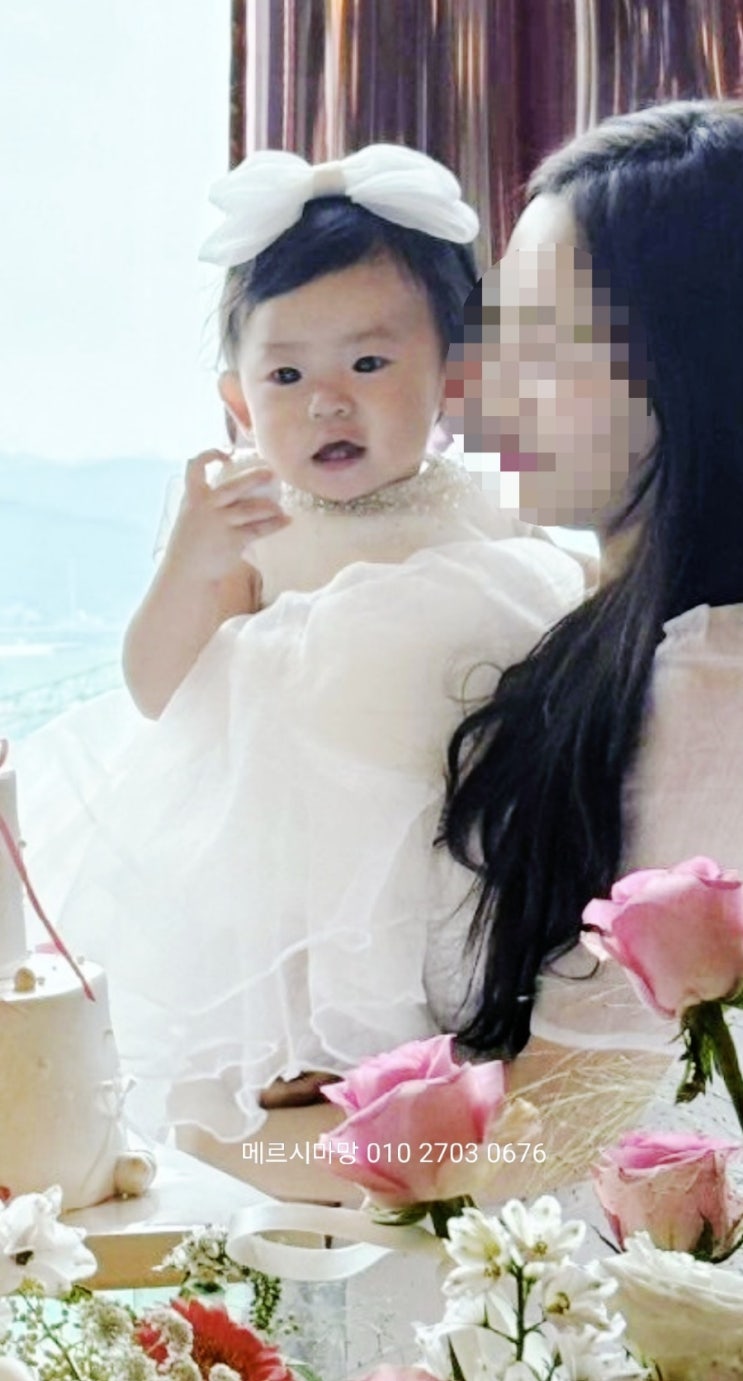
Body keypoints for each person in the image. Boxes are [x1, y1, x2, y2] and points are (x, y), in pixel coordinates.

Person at [37, 144, 586, 1194]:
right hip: (284, 844)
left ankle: (437, 1045)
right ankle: (293, 1048)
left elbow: (550, 629)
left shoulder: (481, 506)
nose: (327, 402)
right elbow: (156, 687)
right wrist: (193, 562)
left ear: (454, 375)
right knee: (289, 909)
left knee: (457, 944)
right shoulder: (246, 517)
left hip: (445, 815)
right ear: (238, 403)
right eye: (285, 376)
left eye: (368, 365)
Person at [437, 99, 743, 1194]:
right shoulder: (605, 619)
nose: (477, 384)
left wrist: (232, 1158)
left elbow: (573, 1117)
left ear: (691, 360)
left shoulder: (713, 679)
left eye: (540, 341)